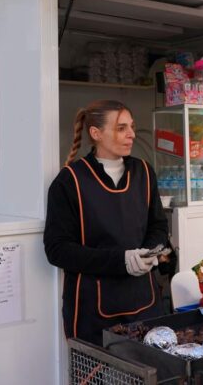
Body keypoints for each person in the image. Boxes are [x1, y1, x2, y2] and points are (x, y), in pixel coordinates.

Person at [43, 100, 169, 346]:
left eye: (131, 127)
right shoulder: (70, 181)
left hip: (144, 302)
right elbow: (57, 250)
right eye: (121, 128)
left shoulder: (144, 172)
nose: (132, 134)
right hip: (92, 312)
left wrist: (150, 251)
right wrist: (121, 261)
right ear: (96, 133)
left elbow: (159, 226)